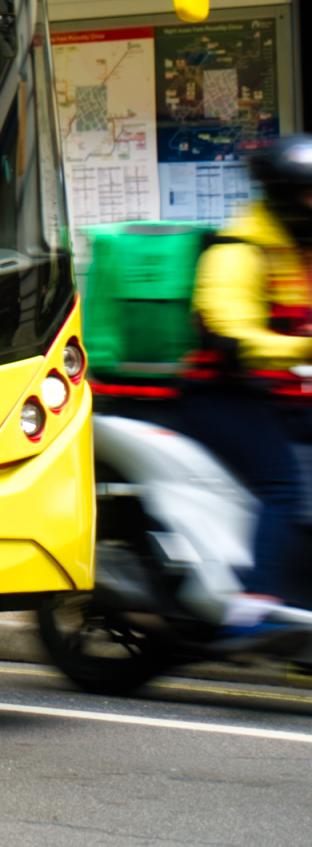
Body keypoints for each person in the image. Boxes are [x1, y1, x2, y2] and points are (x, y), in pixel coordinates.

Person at [184, 136, 312, 630]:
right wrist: (301, 348)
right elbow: (230, 336)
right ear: (284, 194)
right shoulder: (238, 249)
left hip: (278, 392)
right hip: (223, 394)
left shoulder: (298, 248)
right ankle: (256, 606)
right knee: (283, 483)